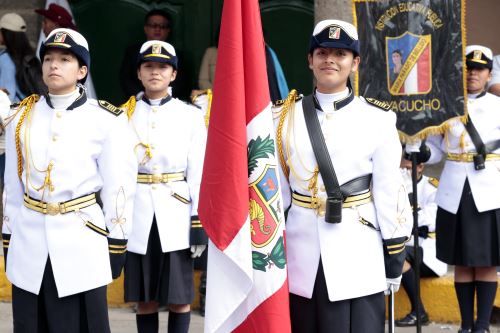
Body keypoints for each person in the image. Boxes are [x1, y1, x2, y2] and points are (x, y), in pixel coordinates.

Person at [274, 19, 412, 333]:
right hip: (301, 251)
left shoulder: (377, 118)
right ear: (310, 60)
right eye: (322, 52)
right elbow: (277, 191)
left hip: (357, 250)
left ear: (355, 62)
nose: (330, 60)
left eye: (340, 53)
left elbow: (389, 190)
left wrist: (394, 253)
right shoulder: (282, 117)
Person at [2, 28, 137, 332]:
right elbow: (12, 185)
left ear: (82, 70)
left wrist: (117, 241)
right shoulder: (21, 117)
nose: (53, 65)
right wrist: (8, 236)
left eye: (65, 59)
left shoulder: (106, 119)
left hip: (81, 242)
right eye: (49, 58)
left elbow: (119, 186)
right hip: (29, 240)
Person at [408, 45, 500, 333]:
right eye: (468, 69)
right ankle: (466, 325)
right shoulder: (445, 105)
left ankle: (482, 326)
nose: (473, 74)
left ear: (488, 74)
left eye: (479, 69)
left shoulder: (498, 106)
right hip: (454, 191)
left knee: (486, 262)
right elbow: (436, 150)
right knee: (461, 261)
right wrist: (418, 151)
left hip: (488, 189)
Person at [121, 40, 207, 333]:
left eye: (162, 66)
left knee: (179, 297)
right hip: (138, 214)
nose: (155, 72)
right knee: (144, 298)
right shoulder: (123, 116)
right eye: (148, 66)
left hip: (176, 214)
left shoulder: (191, 116)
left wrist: (198, 221)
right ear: (139, 72)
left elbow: (198, 171)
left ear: (173, 74)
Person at [395, 146, 448, 327]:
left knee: (398, 256)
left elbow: (430, 219)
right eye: (402, 168)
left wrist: (405, 219)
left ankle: (419, 312)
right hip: (408, 244)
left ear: (420, 167)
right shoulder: (397, 184)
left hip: (428, 250)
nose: (405, 172)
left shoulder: (431, 186)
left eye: (409, 168)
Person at [0, 13, 45, 102]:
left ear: (5, 33)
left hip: (15, 113)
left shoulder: (5, 58)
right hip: (32, 109)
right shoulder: (29, 55)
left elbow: (7, 96)